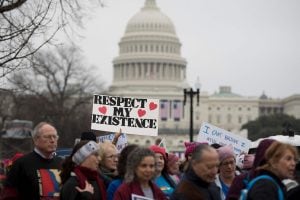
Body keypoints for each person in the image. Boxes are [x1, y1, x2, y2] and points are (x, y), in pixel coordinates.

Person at [0, 122, 62, 200]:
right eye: (47, 137)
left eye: (55, 137)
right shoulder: (21, 164)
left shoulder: (61, 163)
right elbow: (9, 195)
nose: (52, 140)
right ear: (35, 140)